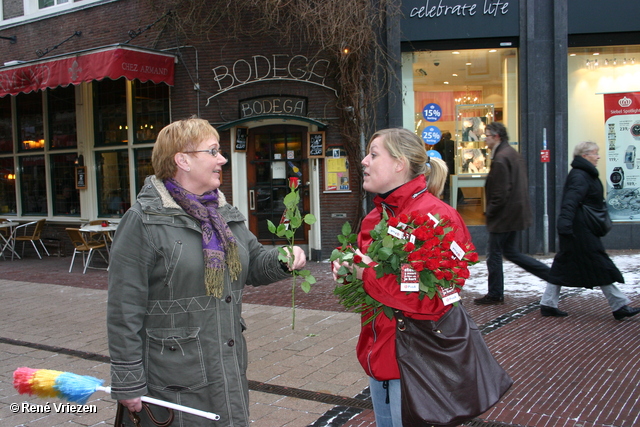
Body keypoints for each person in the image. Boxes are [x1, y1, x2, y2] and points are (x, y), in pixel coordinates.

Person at [107, 117, 306, 426]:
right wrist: (128, 381)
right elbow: (124, 308)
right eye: (213, 151)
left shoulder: (223, 214)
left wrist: (283, 258)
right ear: (182, 160)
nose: (222, 159)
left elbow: (252, 263)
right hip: (173, 379)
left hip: (225, 365)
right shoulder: (144, 221)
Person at [332, 128, 473, 426]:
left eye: (373, 154)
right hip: (380, 356)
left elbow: (435, 299)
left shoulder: (437, 217)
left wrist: (365, 273)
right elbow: (371, 281)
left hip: (417, 363)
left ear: (399, 163)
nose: (364, 162)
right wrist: (348, 271)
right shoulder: (376, 217)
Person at [542, 141, 640, 319]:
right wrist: (565, 224)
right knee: (599, 264)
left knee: (562, 265)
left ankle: (548, 303)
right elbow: (570, 201)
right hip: (580, 230)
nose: (598, 156)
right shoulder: (580, 175)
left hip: (579, 227)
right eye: (595, 153)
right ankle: (619, 305)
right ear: (585, 155)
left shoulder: (584, 174)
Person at [474, 122, 552, 305]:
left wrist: (490, 211)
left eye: (487, 135)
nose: (485, 139)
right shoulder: (512, 154)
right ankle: (550, 275)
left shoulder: (501, 158)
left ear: (496, 137)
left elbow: (501, 192)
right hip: (514, 214)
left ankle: (495, 293)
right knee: (511, 252)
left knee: (494, 254)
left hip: (504, 217)